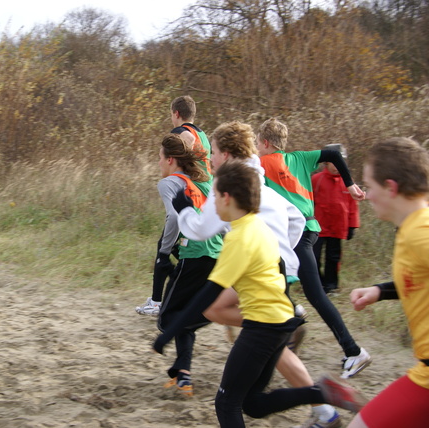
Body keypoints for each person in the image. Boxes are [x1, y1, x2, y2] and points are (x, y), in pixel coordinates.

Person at [153, 160, 367, 427]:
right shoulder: (259, 226)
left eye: (215, 196)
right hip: (280, 324)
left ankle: (321, 393)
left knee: (226, 403)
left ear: (227, 197)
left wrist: (168, 334)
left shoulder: (239, 237)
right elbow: (278, 268)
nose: (212, 204)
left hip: (261, 328)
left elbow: (209, 294)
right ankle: (321, 392)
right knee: (252, 403)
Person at [174, 121, 340, 427]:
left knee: (231, 316)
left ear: (224, 154)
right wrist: (284, 254)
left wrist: (183, 208)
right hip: (276, 267)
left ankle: (321, 403)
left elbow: (201, 228)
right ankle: (319, 399)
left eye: (213, 153)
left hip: (262, 270)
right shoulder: (257, 172)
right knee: (265, 340)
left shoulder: (229, 182)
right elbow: (295, 218)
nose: (210, 159)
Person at [256, 117, 371, 379]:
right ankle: (290, 315)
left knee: (316, 295)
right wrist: (350, 184)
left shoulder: (262, 164)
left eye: (257, 143)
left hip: (296, 234)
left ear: (264, 142)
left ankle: (353, 351)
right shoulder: (301, 158)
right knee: (274, 279)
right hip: (307, 229)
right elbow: (332, 153)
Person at [347, 137, 429, 428]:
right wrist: (380, 291)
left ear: (391, 187)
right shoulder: (413, 227)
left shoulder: (421, 231)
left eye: (370, 186)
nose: (366, 196)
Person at [151, 133, 222, 396]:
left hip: (194, 253)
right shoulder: (202, 181)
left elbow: (173, 217)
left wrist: (163, 251)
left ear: (170, 160)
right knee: (183, 308)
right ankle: (183, 374)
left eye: (159, 158)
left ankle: (183, 366)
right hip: (216, 253)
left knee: (170, 316)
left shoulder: (168, 183)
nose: (158, 163)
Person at [136, 95, 212, 316]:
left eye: (171, 114)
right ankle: (165, 295)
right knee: (180, 247)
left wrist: (182, 166)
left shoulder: (182, 132)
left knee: (165, 245)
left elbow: (186, 140)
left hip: (190, 190)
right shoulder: (204, 135)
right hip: (204, 190)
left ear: (176, 113)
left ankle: (158, 301)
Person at [312, 144, 360, 294]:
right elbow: (308, 202)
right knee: (314, 256)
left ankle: (331, 286)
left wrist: (353, 225)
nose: (338, 165)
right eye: (334, 162)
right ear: (326, 162)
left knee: (333, 258)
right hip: (318, 227)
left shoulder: (348, 181)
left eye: (342, 161)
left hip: (338, 227)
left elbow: (353, 205)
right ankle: (317, 285)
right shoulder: (316, 180)